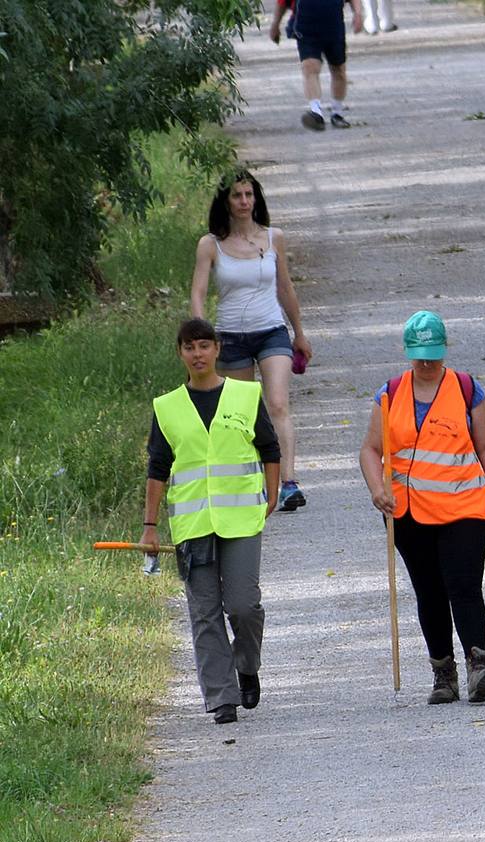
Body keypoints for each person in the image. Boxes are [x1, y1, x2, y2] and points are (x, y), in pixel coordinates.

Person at [358, 311, 485, 705]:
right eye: (420, 355)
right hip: (407, 512)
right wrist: (377, 489)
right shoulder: (389, 394)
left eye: (433, 355)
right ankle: (443, 673)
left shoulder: (465, 389)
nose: (427, 363)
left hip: (463, 506)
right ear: (408, 352)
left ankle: (479, 664)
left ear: (445, 350)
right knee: (429, 592)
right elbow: (371, 449)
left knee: (463, 586)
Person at [143, 318, 281, 725]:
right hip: (192, 525)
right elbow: (157, 467)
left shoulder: (244, 394)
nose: (198, 354)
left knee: (243, 606)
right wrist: (149, 525)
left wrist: (271, 496)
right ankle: (221, 697)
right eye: (190, 347)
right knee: (204, 612)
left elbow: (269, 447)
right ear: (180, 353)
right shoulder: (166, 407)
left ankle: (246, 665)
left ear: (217, 349)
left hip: (240, 519)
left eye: (204, 345)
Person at [189, 170, 313, 512]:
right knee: (242, 413)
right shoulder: (210, 244)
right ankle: (254, 479)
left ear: (256, 198)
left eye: (249, 194)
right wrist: (202, 336)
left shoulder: (274, 238)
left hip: (272, 330)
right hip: (230, 336)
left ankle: (288, 482)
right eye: (237, 196)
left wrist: (299, 332)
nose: (244, 202)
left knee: (277, 404)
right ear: (225, 202)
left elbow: (285, 288)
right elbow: (198, 293)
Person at [269, 0, 364, 130]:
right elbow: (282, 3)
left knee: (338, 69)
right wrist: (275, 24)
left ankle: (337, 113)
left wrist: (358, 14)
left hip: (334, 27)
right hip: (305, 27)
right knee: (310, 67)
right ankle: (316, 113)